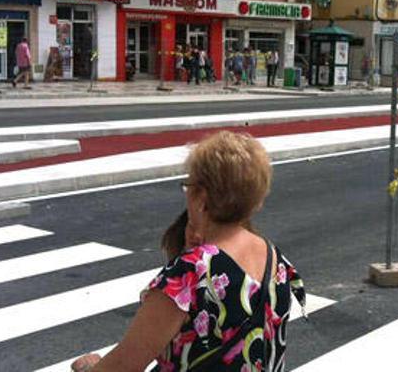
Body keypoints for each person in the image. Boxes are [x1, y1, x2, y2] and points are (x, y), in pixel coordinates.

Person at [71, 131, 306, 372]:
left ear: (201, 198)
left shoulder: (191, 272)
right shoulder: (276, 259)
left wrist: (90, 367)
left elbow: (122, 366)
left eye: (188, 186)